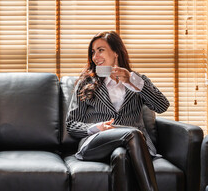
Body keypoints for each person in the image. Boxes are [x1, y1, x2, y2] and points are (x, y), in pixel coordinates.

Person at [66, 31, 169, 191]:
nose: (95, 57)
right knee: (133, 133)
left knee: (120, 156)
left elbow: (162, 106)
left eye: (100, 50)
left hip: (133, 148)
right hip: (98, 142)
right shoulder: (86, 83)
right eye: (93, 52)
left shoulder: (138, 81)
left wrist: (134, 82)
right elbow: (71, 124)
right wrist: (96, 127)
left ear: (115, 52)